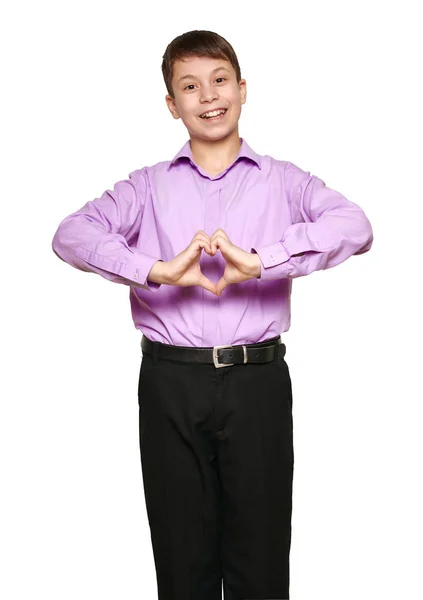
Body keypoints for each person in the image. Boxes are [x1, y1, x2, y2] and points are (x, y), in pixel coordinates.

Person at [51, 29, 373, 600]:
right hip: (172, 382)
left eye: (220, 80)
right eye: (191, 87)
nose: (209, 96)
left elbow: (355, 227)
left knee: (262, 558)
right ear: (173, 105)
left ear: (243, 89)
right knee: (181, 560)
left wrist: (263, 261)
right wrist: (156, 270)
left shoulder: (284, 180)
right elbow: (71, 235)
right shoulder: (146, 187)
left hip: (257, 383)